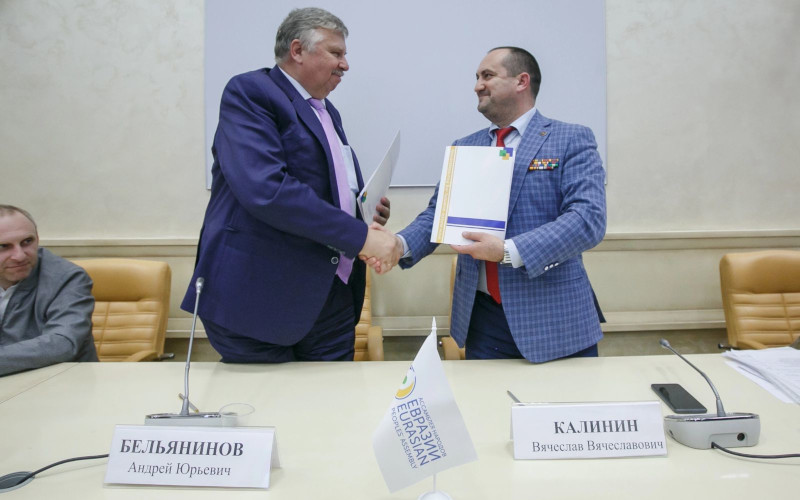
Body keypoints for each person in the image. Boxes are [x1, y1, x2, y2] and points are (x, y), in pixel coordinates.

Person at [182, 8, 397, 363]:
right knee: (266, 398)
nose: (345, 65)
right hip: (258, 296)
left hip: (329, 294)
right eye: (336, 53)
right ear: (297, 50)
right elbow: (267, 190)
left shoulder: (326, 111)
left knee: (332, 399)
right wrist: (360, 237)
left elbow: (323, 184)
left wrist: (362, 209)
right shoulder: (251, 93)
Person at [373, 47, 606, 362]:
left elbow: (587, 220)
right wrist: (398, 245)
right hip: (483, 323)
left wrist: (507, 251)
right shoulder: (466, 147)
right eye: (477, 77)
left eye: (487, 76)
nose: (477, 86)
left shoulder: (570, 139)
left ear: (521, 81)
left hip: (555, 321)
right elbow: (438, 216)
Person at [0, 205, 97, 376]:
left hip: (59, 383)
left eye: (27, 242)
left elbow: (62, 344)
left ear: (37, 238)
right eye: (3, 246)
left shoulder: (67, 277)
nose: (20, 256)